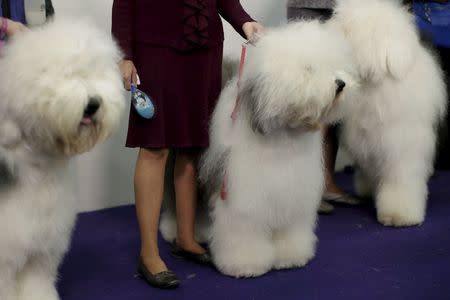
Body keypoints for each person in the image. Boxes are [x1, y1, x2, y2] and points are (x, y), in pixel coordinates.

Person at [112, 0, 263, 289]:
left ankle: (186, 238)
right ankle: (149, 253)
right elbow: (123, 4)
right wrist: (124, 55)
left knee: (194, 144)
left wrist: (244, 21)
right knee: (154, 146)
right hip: (154, 48)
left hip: (204, 48)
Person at [287, 0, 360, 214]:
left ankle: (326, 183)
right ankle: (306, 191)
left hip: (346, 9)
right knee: (314, 105)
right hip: (310, 6)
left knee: (338, 98)